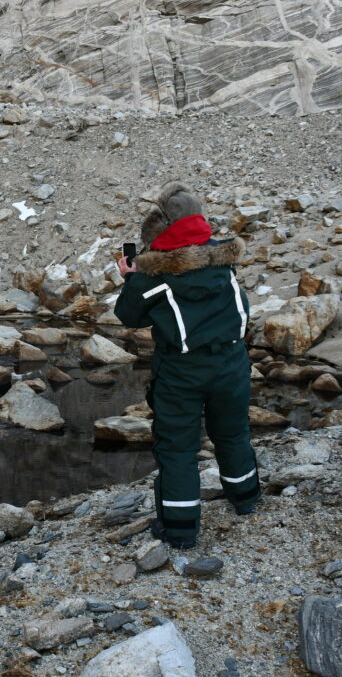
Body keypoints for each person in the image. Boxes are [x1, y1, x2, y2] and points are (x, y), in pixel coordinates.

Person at [113, 181, 260, 549]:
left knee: (178, 447)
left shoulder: (153, 275)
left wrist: (130, 279)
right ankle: (246, 499)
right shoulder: (222, 259)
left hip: (181, 370)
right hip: (231, 360)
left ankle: (180, 529)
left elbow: (128, 315)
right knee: (233, 432)